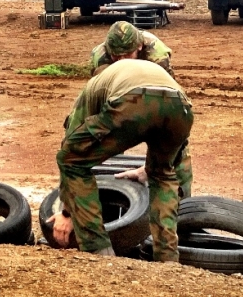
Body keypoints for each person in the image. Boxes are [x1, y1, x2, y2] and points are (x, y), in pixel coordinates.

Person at [51, 57, 193, 261]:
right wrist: (149, 168)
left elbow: (71, 148)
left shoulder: (92, 89)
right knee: (163, 174)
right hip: (181, 106)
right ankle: (167, 259)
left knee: (71, 160)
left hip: (133, 101)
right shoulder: (137, 71)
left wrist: (66, 213)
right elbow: (173, 148)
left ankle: (98, 251)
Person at [81, 21, 192, 198]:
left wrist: (152, 166)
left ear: (139, 47)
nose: (122, 62)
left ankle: (182, 201)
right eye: (117, 57)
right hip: (120, 101)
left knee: (175, 150)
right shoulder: (101, 57)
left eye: (127, 55)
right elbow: (101, 100)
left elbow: (169, 101)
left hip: (155, 98)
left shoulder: (155, 53)